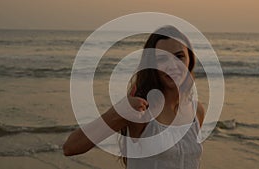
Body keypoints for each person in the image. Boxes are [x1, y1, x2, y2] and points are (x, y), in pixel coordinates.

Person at [63, 25, 205, 169]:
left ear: (190, 60)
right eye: (162, 59)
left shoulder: (196, 111)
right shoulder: (140, 111)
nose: (173, 65)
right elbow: (71, 147)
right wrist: (117, 111)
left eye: (179, 56)